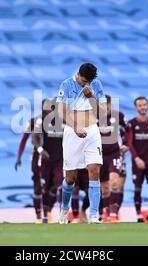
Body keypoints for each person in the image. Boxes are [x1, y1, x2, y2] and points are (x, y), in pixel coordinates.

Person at [56, 63, 107, 224]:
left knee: (94, 170)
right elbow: (60, 112)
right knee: (71, 177)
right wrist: (75, 127)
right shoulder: (67, 84)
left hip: (92, 130)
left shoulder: (96, 84)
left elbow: (104, 112)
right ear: (78, 74)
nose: (86, 84)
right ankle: (64, 210)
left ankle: (93, 215)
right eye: (84, 81)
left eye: (88, 82)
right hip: (72, 131)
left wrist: (92, 96)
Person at [126, 96, 148, 222]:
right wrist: (136, 158)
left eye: (144, 104)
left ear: (147, 105)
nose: (143, 107)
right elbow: (129, 143)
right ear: (136, 107)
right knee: (138, 187)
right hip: (138, 161)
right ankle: (138, 215)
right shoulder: (131, 124)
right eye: (140, 105)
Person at [32, 99, 64, 224]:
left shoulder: (65, 120)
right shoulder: (42, 121)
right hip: (45, 160)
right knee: (42, 188)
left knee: (60, 185)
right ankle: (41, 216)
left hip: (60, 161)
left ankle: (61, 214)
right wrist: (40, 149)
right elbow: (34, 137)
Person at [98, 94, 128, 222]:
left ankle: (114, 214)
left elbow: (129, 131)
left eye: (106, 104)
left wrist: (127, 145)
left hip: (115, 154)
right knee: (104, 187)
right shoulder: (94, 118)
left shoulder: (119, 116)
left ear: (110, 104)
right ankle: (108, 213)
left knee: (114, 182)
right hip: (99, 155)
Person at [14, 106, 44, 223]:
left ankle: (48, 213)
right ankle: (39, 217)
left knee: (51, 186)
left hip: (52, 157)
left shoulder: (58, 121)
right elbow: (24, 139)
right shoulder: (32, 122)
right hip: (37, 156)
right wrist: (19, 156)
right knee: (38, 186)